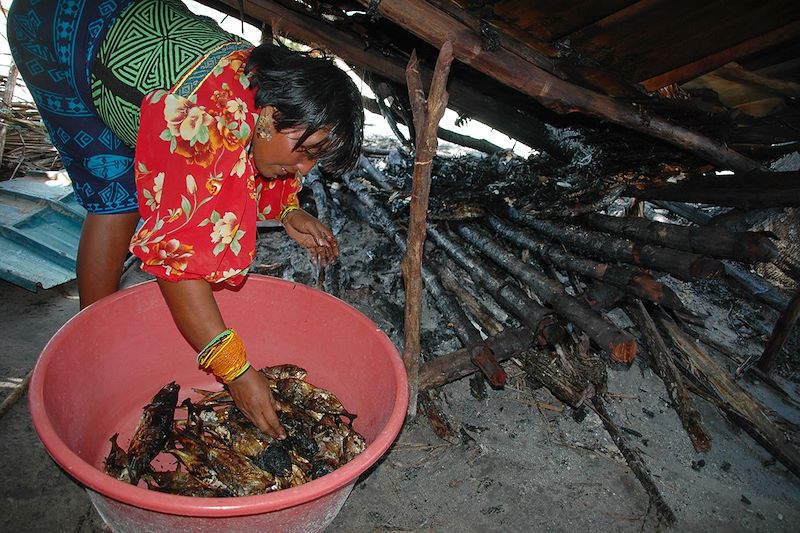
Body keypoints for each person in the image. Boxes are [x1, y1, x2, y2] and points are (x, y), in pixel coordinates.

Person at [7, 0, 364, 440]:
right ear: (269, 118)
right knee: (114, 196)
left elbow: (246, 162)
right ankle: (93, 346)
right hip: (56, 30)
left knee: (138, 183)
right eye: (307, 153)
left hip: (130, 18)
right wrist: (235, 371)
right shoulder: (203, 126)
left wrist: (288, 208)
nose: (305, 171)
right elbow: (176, 266)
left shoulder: (268, 85)